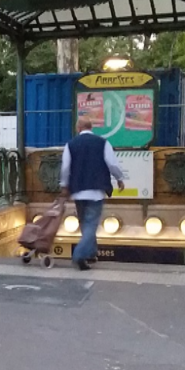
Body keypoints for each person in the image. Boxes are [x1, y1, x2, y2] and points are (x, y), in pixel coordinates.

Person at [60, 116, 125, 271]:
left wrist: (64, 185)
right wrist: (120, 179)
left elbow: (65, 168)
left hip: (78, 190)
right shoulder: (103, 143)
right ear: (91, 127)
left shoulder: (71, 144)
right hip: (96, 190)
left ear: (78, 128)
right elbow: (112, 164)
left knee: (84, 223)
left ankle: (91, 253)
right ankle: (80, 255)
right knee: (91, 224)